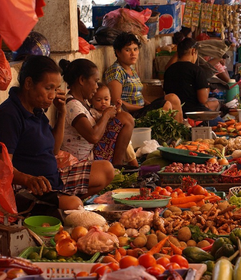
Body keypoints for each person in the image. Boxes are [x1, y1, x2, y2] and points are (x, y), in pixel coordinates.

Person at [0, 55, 114, 215]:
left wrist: (62, 113)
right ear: (28, 83)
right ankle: (59, 207)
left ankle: (61, 203)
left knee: (106, 170)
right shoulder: (10, 114)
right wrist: (28, 179)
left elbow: (54, 150)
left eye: (55, 89)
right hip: (28, 188)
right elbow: (4, 167)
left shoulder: (36, 109)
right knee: (74, 204)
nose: (53, 95)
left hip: (53, 178)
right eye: (48, 88)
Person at [59, 58, 135, 167]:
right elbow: (93, 136)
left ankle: (118, 167)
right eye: (95, 82)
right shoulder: (72, 105)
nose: (96, 87)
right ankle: (116, 167)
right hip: (82, 160)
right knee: (126, 119)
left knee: (124, 118)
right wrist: (106, 115)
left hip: (92, 153)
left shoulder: (83, 101)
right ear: (82, 80)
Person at [104, 31, 183, 123]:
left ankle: (180, 133)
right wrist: (142, 107)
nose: (133, 53)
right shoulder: (116, 71)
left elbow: (138, 95)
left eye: (135, 49)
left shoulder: (131, 69)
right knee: (166, 105)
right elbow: (116, 101)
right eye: (128, 50)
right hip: (131, 114)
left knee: (173, 98)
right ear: (118, 52)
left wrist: (149, 104)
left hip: (141, 109)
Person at [163, 38, 224, 126]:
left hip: (175, 114)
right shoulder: (197, 70)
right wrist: (207, 87)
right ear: (193, 51)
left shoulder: (169, 70)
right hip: (195, 116)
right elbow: (203, 99)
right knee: (223, 125)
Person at [90, 83, 139, 167]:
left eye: (106, 99)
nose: (103, 103)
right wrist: (105, 115)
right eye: (98, 100)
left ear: (110, 99)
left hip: (114, 136)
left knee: (128, 145)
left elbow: (119, 117)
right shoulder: (93, 112)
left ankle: (135, 166)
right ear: (91, 101)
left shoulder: (111, 109)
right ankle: (127, 166)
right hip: (103, 140)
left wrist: (118, 108)